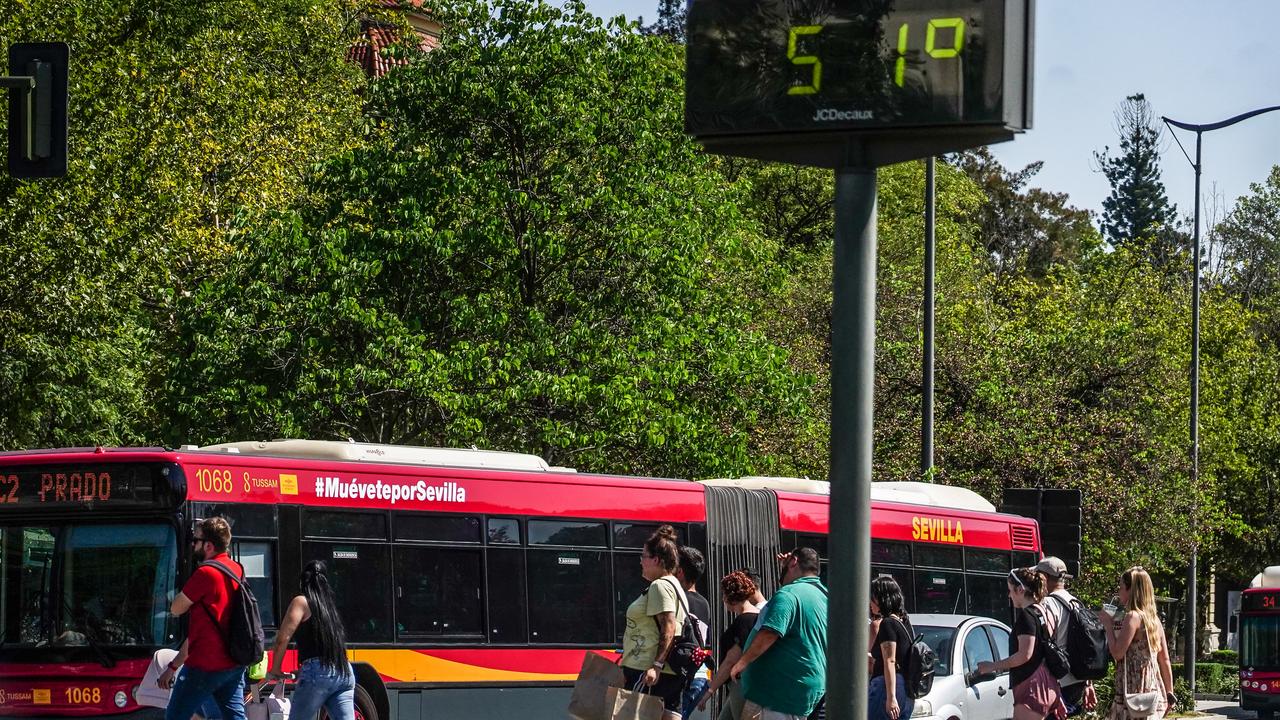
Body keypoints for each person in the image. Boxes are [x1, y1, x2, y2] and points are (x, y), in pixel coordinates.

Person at [156, 517, 248, 720]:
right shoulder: (237, 570)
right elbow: (204, 630)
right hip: (233, 664)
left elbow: (176, 608)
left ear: (208, 545)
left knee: (175, 716)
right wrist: (172, 667)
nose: (192, 544)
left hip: (204, 665)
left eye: (195, 540)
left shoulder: (206, 573)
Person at [730, 548, 828, 720]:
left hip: (780, 695)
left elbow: (771, 632)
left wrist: (742, 663)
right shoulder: (824, 597)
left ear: (793, 562)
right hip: (804, 690)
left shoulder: (789, 595)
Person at [265, 560, 355, 720]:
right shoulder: (329, 606)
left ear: (303, 582)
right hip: (345, 672)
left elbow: (282, 639)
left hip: (318, 674)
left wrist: (275, 669)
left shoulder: (301, 602)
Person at [977, 567, 1066, 720]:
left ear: (1020, 589)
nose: (1009, 595)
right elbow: (1047, 651)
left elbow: (1024, 655)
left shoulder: (1027, 616)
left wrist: (991, 666)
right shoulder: (1044, 611)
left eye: (1010, 590)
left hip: (1031, 687)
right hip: (1047, 684)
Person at [621, 525, 690, 720]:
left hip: (646, 669)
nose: (641, 562)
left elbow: (669, 626)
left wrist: (656, 665)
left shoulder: (660, 585)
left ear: (656, 560)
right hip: (661, 669)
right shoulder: (674, 584)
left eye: (643, 556)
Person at [1097, 567, 1175, 720]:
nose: (1119, 592)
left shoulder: (1132, 617)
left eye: (1121, 587)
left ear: (1130, 590)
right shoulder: (1154, 620)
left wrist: (1107, 625)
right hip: (1152, 690)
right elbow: (1164, 660)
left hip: (1133, 690)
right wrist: (1169, 693)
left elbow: (1118, 653)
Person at [1035, 557, 1097, 716]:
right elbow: (1084, 645)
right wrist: (1088, 683)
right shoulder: (1076, 602)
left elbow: (1046, 644)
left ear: (1045, 578)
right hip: (1077, 679)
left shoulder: (1047, 603)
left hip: (1057, 681)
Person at [698, 571, 762, 720]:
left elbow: (730, 661)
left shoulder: (742, 621)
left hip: (740, 684)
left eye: (723, 594)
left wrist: (709, 691)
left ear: (729, 596)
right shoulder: (759, 617)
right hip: (751, 683)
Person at [868, 576, 912, 720]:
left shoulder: (887, 624)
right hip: (905, 687)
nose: (870, 602)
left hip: (885, 687)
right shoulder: (904, 622)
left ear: (881, 598)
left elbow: (890, 661)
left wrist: (891, 698)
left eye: (872, 596)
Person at [677, 546, 713, 719]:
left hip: (684, 677)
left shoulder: (678, 599)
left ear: (680, 572)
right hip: (699, 675)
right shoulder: (704, 603)